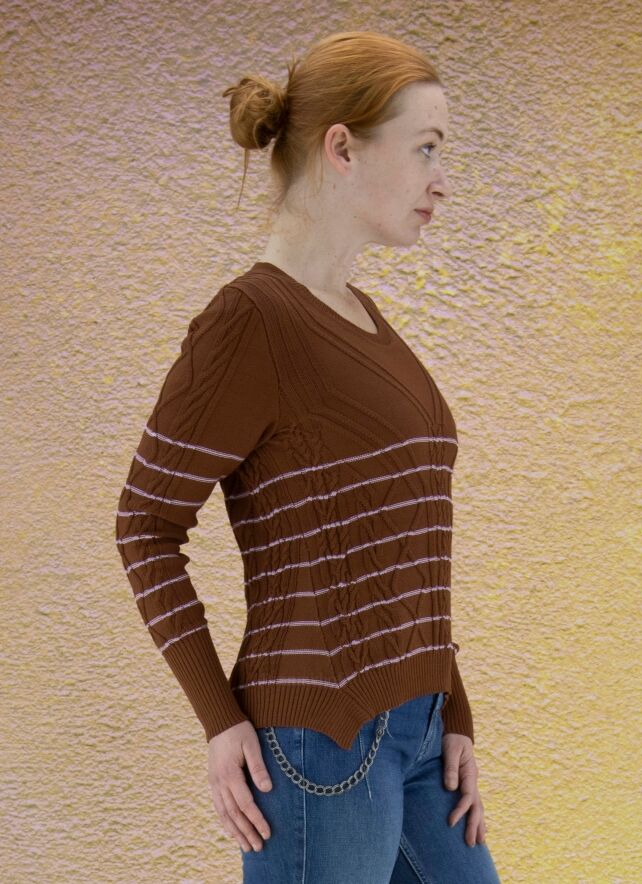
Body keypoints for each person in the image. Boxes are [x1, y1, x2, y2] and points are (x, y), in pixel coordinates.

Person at [115, 29, 501, 883]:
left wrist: (453, 712)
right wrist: (219, 720)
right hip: (321, 746)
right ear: (343, 148)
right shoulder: (250, 322)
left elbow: (399, 542)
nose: (442, 179)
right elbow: (144, 525)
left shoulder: (360, 315)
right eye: (426, 148)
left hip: (421, 736)